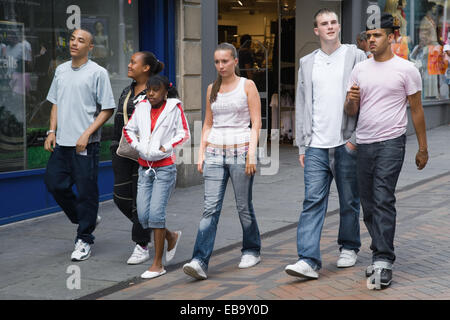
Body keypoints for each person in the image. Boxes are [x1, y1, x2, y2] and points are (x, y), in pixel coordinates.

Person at [345, 13, 428, 289]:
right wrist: (350, 101)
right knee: (367, 204)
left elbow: (416, 110)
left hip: (392, 142)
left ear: (392, 37)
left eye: (377, 35)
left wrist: (423, 148)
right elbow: (351, 111)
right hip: (364, 143)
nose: (371, 40)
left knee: (382, 197)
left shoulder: (407, 69)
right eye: (368, 36)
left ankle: (383, 258)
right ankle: (380, 250)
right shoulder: (360, 70)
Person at [284, 8, 366, 280]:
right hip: (316, 144)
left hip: (345, 141)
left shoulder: (356, 55)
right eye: (324, 24)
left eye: (333, 22)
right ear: (316, 30)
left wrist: (355, 140)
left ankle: (349, 246)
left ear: (339, 26)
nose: (330, 27)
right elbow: (302, 104)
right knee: (312, 201)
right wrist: (302, 145)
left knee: (349, 200)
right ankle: (308, 260)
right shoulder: (307, 62)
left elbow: (367, 98)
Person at [182, 42, 262, 280]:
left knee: (243, 206)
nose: (221, 65)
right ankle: (199, 260)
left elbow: (256, 123)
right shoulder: (211, 88)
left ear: (235, 61)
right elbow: (208, 123)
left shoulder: (247, 86)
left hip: (240, 150)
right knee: (210, 208)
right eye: (217, 62)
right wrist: (201, 152)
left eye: (225, 61)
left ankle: (251, 249)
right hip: (215, 152)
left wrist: (251, 153)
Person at [44, 29, 116, 261]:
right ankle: (86, 217)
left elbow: (107, 108)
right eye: (73, 39)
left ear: (90, 47)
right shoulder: (61, 70)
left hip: (85, 144)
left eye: (81, 41)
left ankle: (84, 239)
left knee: (86, 193)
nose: (74, 43)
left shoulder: (98, 73)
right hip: (62, 142)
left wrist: (87, 134)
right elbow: (55, 102)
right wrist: (51, 131)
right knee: (54, 184)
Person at [123, 75, 190, 279]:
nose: (151, 93)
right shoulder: (141, 106)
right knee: (143, 217)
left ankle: (157, 264)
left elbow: (184, 133)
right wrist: (138, 146)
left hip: (165, 168)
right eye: (148, 90)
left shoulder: (173, 108)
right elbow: (128, 130)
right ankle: (171, 235)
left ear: (165, 92)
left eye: (155, 90)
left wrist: (166, 147)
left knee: (156, 215)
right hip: (145, 168)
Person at [111, 52, 164, 265]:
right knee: (120, 197)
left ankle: (141, 244)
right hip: (124, 152)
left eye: (134, 62)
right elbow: (118, 120)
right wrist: (114, 146)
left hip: (148, 154)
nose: (129, 64)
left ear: (146, 68)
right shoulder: (127, 90)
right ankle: (163, 232)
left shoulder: (161, 89)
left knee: (140, 201)